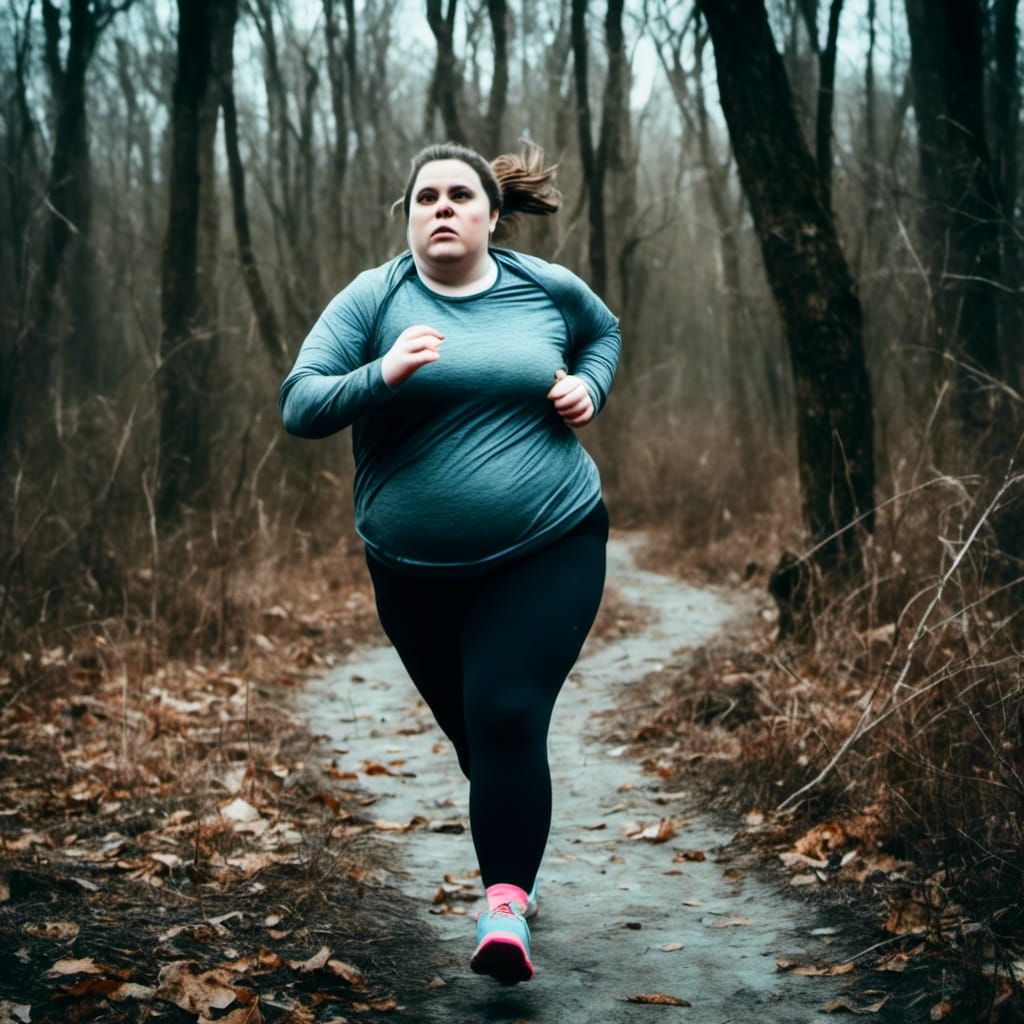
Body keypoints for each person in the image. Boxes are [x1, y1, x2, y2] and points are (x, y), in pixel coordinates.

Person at [278, 141, 620, 985]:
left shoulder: (545, 287)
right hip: (411, 570)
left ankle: (504, 906)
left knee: (505, 713)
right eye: (424, 195)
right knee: (481, 738)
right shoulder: (375, 297)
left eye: (459, 195)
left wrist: (590, 387)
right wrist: (382, 374)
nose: (440, 207)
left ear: (491, 214)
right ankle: (511, 820)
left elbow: (603, 333)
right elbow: (298, 403)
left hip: (552, 538)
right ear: (408, 215)